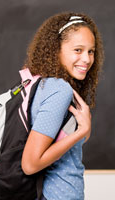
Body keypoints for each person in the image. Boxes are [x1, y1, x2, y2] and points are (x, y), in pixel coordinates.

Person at [21, 12, 104, 200]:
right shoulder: (60, 90)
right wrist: (80, 132)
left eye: (91, 51)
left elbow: (63, 144)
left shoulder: (41, 84)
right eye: (78, 50)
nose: (87, 59)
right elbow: (31, 163)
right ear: (55, 49)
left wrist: (82, 131)